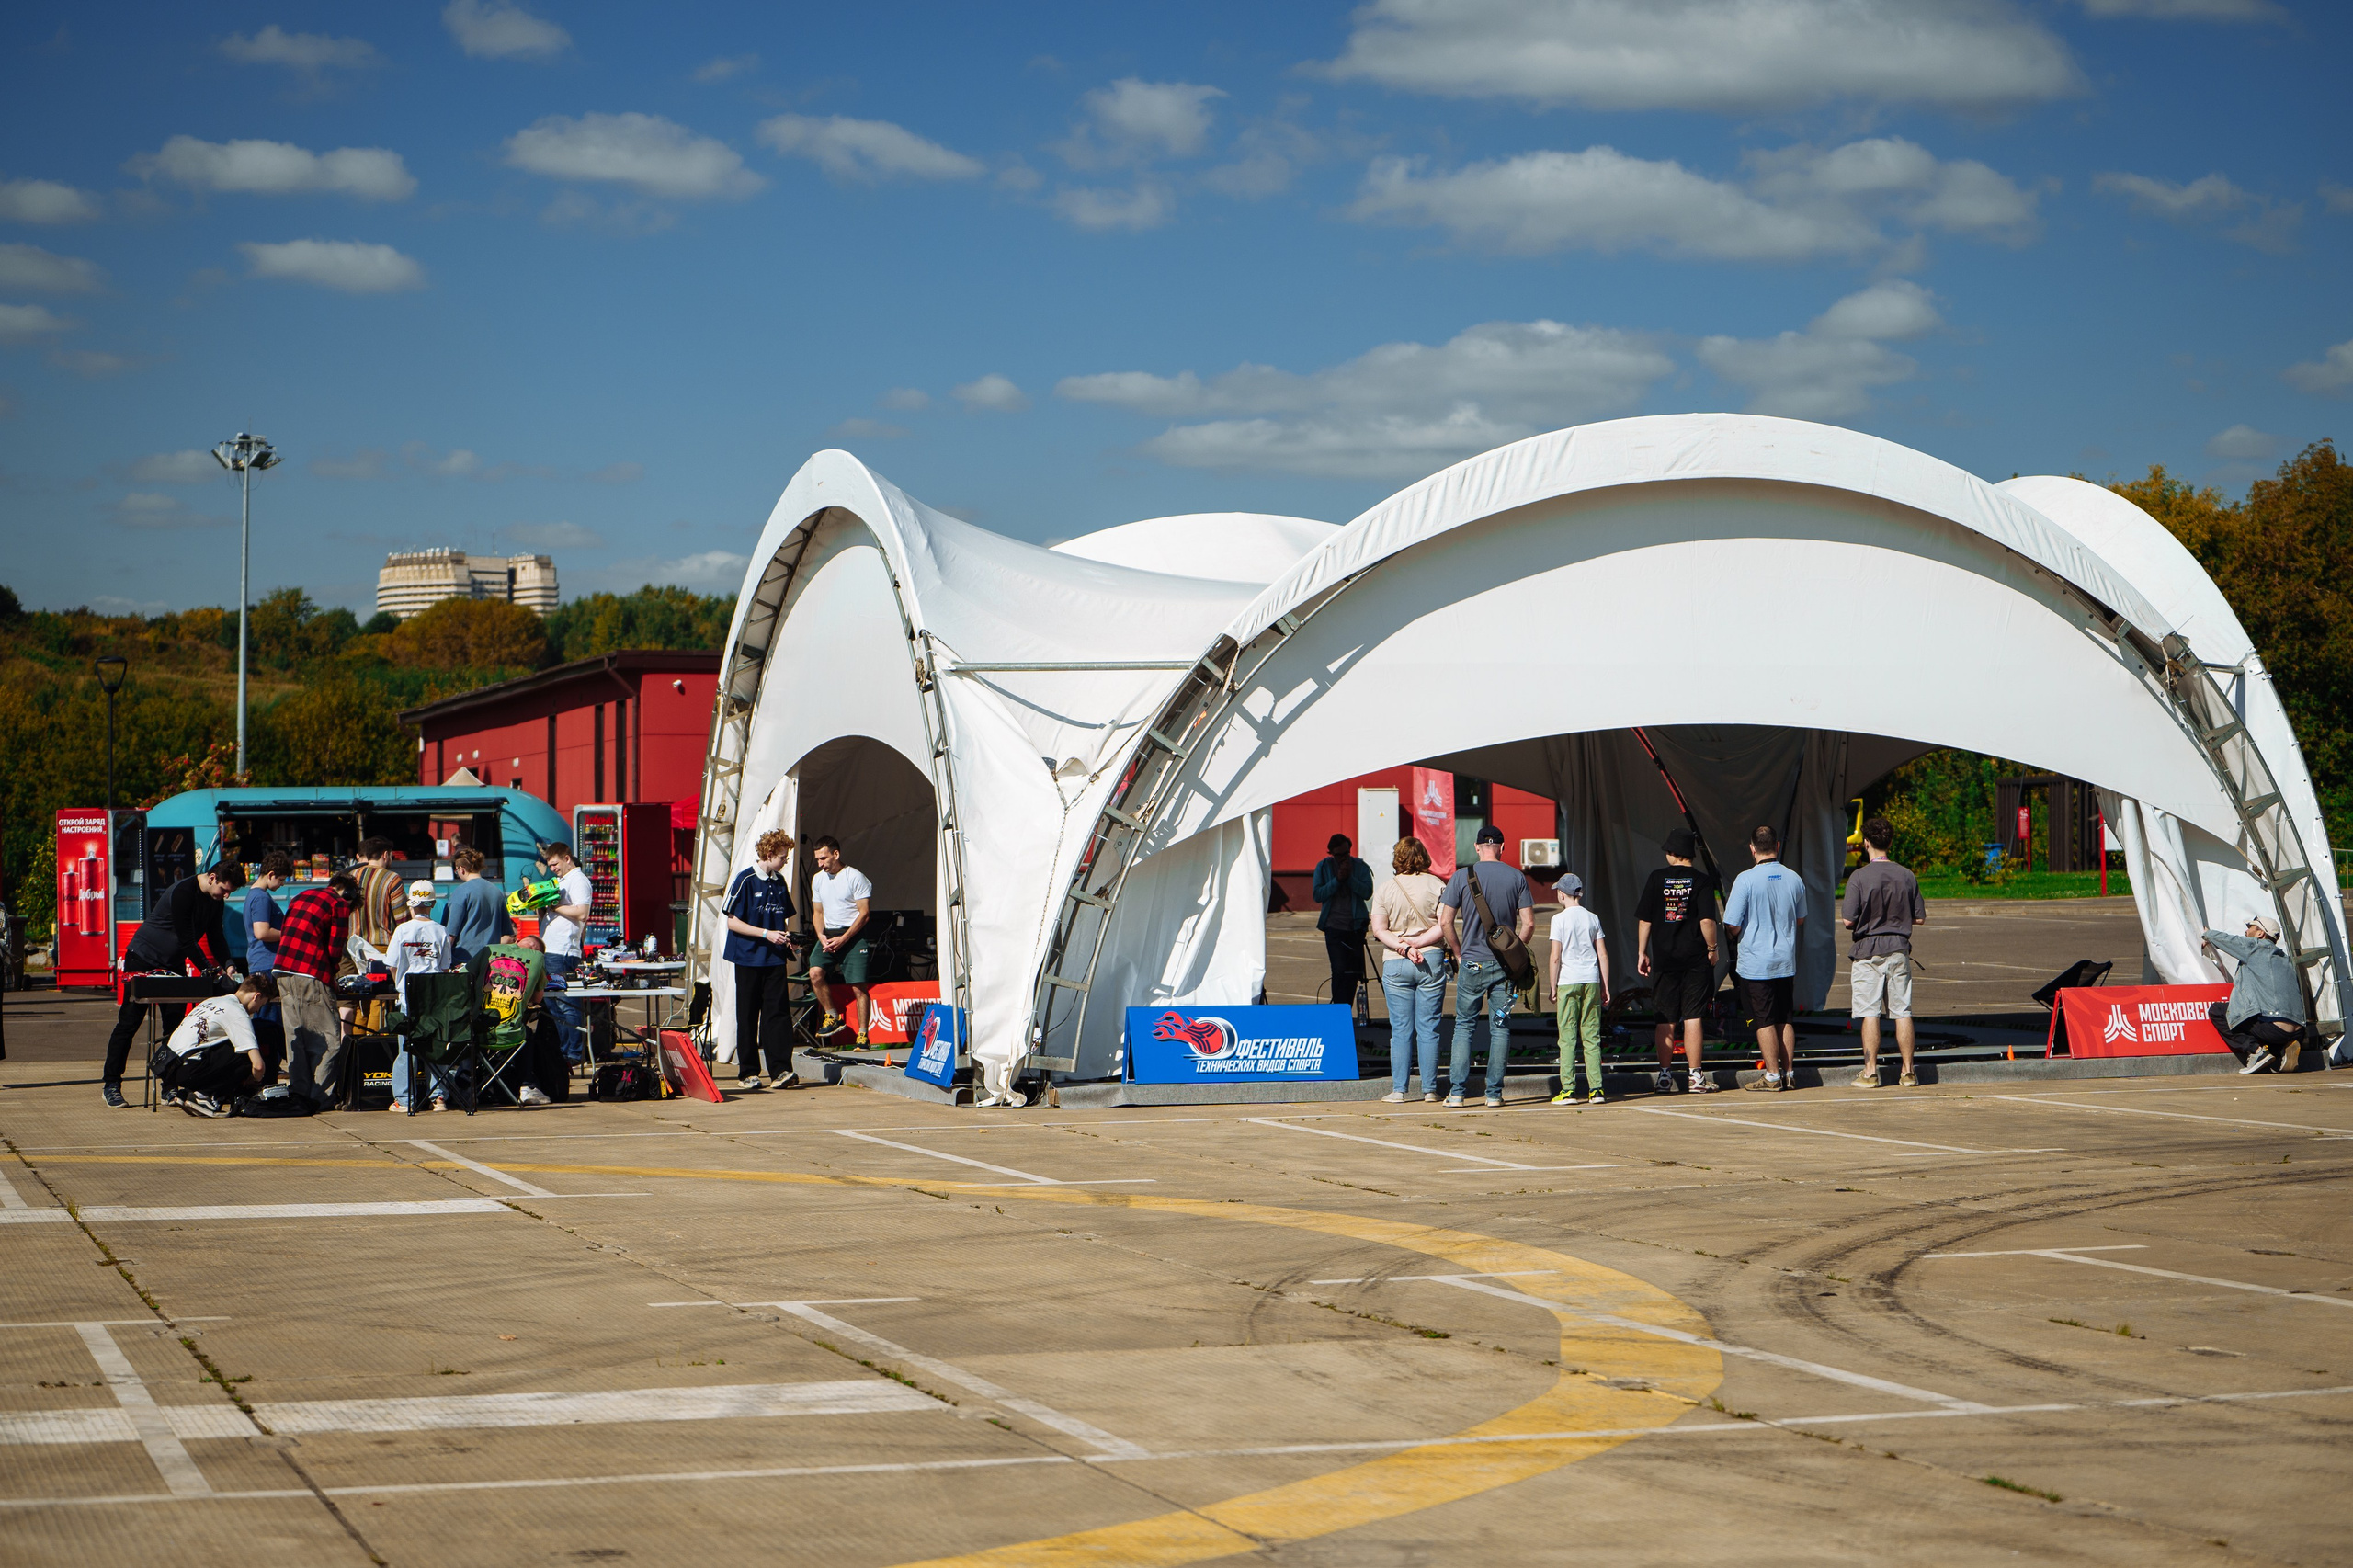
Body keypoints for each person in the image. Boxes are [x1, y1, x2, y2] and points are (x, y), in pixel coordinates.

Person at [100, 862, 244, 1109]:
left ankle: (169, 1086)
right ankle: (111, 1084)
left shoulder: (215, 900)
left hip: (172, 962)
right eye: (224, 889)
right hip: (144, 958)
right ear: (211, 878)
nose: (226, 895)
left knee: (175, 1028)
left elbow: (216, 937)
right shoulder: (184, 892)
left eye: (229, 892)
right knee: (129, 1024)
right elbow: (186, 939)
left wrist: (228, 965)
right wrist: (207, 969)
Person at [1438, 824, 1534, 1108]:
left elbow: (1445, 921)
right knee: (1500, 1028)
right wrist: (1515, 952)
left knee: (1464, 1028)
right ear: (1503, 848)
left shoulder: (1461, 877)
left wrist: (1458, 952)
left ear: (1477, 848)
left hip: (1471, 963)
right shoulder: (1517, 877)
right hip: (1505, 966)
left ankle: (1457, 1093)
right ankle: (1494, 1094)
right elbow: (1529, 923)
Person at [1842, 815, 1927, 1089]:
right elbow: (1920, 918)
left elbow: (1847, 921)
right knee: (1902, 1010)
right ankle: (1908, 1072)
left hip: (1867, 950)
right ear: (1889, 842)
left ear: (1866, 843)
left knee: (1870, 1011)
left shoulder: (1859, 877)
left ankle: (1870, 1072)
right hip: (1899, 948)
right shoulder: (1906, 874)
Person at [1635, 829, 1722, 1095]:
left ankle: (1664, 1077)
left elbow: (1645, 919)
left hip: (1664, 958)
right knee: (1693, 1016)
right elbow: (1707, 920)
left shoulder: (1656, 878)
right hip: (1695, 958)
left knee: (1665, 1017)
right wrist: (1713, 948)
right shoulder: (1702, 881)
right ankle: (1695, 1077)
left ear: (1673, 853)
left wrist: (1642, 952)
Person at [1723, 826, 1808, 1092]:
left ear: (1752, 848)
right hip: (1785, 960)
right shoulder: (1794, 878)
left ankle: (1772, 1075)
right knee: (1785, 1017)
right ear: (1778, 845)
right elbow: (1801, 917)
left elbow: (1733, 925)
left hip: (1756, 963)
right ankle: (1790, 1072)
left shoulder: (1745, 880)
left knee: (1764, 1019)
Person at [271, 872, 360, 1111]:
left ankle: (300, 1095)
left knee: (296, 1040)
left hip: (282, 971)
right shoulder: (339, 904)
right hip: (311, 974)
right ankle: (320, 1098)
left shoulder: (301, 896)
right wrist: (332, 978)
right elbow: (334, 949)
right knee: (329, 1041)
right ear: (348, 894)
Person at [1370, 836, 1448, 1103]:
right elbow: (1444, 924)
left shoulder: (1386, 888)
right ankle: (1429, 1090)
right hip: (1431, 958)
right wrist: (1420, 942)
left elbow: (1379, 929)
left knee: (1401, 1029)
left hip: (1395, 960)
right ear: (1424, 857)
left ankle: (1399, 1090)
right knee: (1429, 1028)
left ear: (1398, 858)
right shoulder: (1437, 885)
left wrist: (1404, 946)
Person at [723, 829, 801, 1092]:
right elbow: (731, 921)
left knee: (777, 1014)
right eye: (782, 856)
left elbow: (783, 916)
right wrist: (766, 934)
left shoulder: (779, 882)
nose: (785, 861)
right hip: (747, 958)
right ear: (769, 854)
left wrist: (788, 938)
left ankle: (781, 1069)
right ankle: (748, 1071)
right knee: (747, 1014)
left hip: (774, 959)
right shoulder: (745, 880)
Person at [156, 972, 278, 1119]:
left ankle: (198, 1093)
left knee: (230, 1045)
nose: (258, 1010)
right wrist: (255, 1080)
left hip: (169, 1069)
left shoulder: (212, 1001)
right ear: (256, 996)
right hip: (190, 1071)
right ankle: (204, 1095)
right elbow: (258, 1066)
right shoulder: (237, 1012)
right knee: (247, 1053)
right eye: (261, 1004)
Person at [2203, 915, 2306, 1074]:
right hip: (2298, 1029)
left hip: (2274, 1028)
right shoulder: (2285, 959)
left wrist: (2207, 934)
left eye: (2250, 927)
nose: (2246, 930)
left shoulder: (2255, 947)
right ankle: (2283, 1049)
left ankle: (2257, 1052)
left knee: (2218, 1011)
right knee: (2266, 1024)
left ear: (2260, 934)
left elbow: (2228, 940)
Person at [1543, 872, 1611, 1105]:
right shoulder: (1592, 918)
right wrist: (1606, 985)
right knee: (1591, 1036)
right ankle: (1597, 1090)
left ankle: (1569, 1090)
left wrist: (1552, 986)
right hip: (1591, 978)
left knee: (1568, 1036)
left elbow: (1555, 957)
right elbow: (1602, 953)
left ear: (1562, 894)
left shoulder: (1558, 920)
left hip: (1568, 980)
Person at [387, 881, 455, 1112]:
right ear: (433, 904)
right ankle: (439, 1098)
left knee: (407, 1050)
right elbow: (445, 968)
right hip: (435, 1000)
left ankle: (405, 1100)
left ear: (410, 904)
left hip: (409, 999)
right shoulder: (441, 930)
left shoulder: (402, 930)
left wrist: (399, 985)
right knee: (435, 1048)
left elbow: (393, 965)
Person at [807, 836, 876, 1045]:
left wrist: (844, 938)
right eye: (818, 859)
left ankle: (863, 1034)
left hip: (852, 935)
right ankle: (832, 1015)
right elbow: (818, 912)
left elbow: (864, 914)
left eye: (824, 858)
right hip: (828, 934)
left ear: (836, 854)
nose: (820, 864)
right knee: (815, 973)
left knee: (858, 987)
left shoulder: (855, 877)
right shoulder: (818, 879)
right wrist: (820, 935)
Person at [536, 841, 594, 1064]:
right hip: (551, 948)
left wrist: (554, 907)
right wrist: (541, 905)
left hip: (562, 951)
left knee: (565, 1002)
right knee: (553, 1002)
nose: (553, 868)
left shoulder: (578, 880)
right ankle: (564, 1051)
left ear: (567, 858)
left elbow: (582, 912)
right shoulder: (560, 881)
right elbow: (551, 917)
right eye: (549, 865)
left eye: (555, 864)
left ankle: (572, 1053)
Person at [482, 937, 557, 1107]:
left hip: (477, 1031)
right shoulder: (536, 959)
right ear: (534, 949)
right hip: (509, 1031)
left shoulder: (491, 950)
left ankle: (467, 1082)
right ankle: (527, 1085)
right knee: (527, 1034)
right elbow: (537, 999)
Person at [242, 852, 292, 1077]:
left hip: (259, 961)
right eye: (280, 880)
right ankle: (269, 1066)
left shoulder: (252, 895)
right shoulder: (261, 898)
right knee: (269, 1021)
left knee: (264, 1017)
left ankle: (267, 1064)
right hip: (266, 963)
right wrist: (290, 934)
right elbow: (262, 931)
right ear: (270, 874)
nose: (281, 885)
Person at [1313, 834, 1375, 1013]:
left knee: (1354, 973)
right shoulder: (1323, 867)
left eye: (1346, 854)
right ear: (1331, 853)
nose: (1343, 858)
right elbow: (1318, 895)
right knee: (1339, 970)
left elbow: (1367, 892)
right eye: (1339, 855)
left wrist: (1349, 879)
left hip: (1355, 926)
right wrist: (1337, 880)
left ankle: (1346, 1008)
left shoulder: (1360, 867)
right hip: (1334, 926)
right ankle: (1339, 1012)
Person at [442, 846, 512, 966]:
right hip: (490, 963)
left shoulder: (461, 892)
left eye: (456, 871)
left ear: (462, 869)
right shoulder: (497, 892)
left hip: (463, 962)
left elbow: (450, 935)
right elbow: (507, 935)